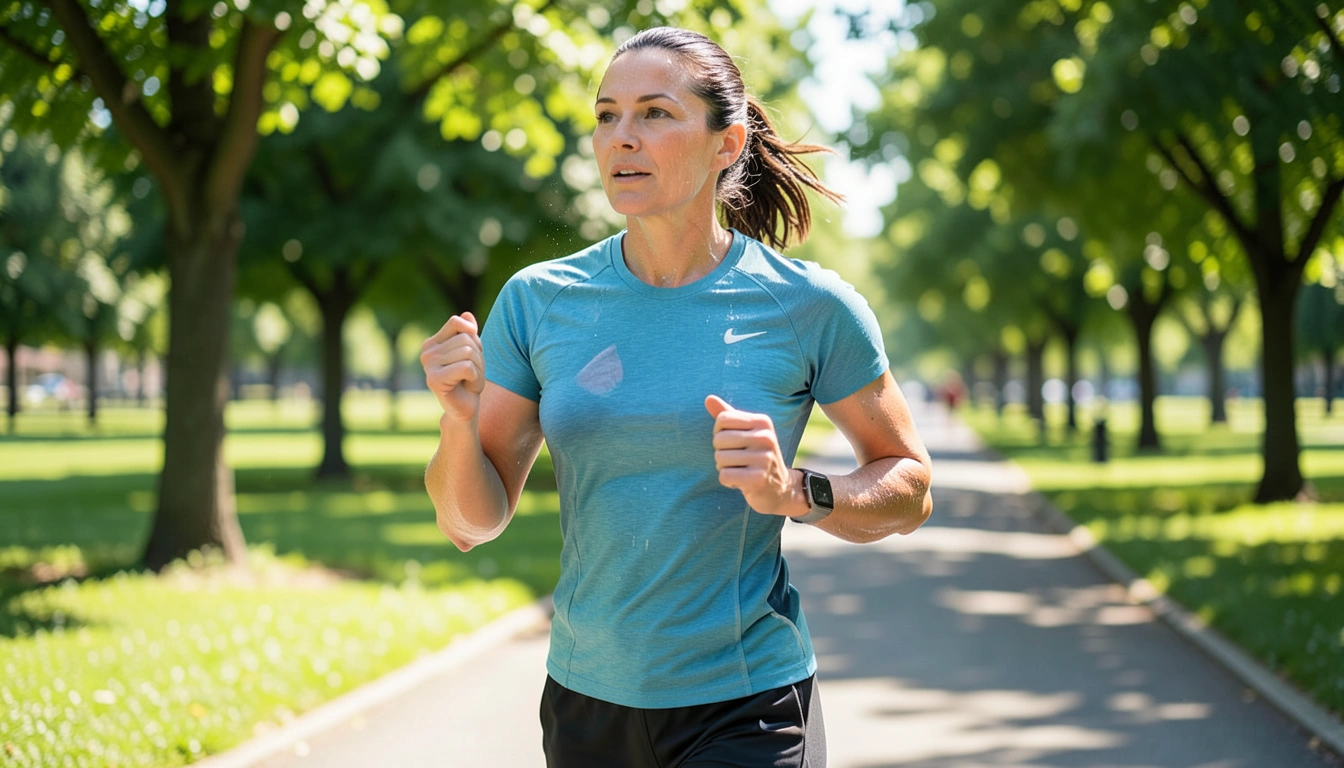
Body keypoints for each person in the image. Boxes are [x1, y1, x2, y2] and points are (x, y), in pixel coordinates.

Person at [420, 26, 933, 768]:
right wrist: (458, 422)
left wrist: (795, 490)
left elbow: (910, 487)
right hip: (586, 700)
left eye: (655, 114)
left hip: (747, 703)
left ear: (727, 144)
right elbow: (471, 521)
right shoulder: (539, 301)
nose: (621, 138)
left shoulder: (808, 306)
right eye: (606, 116)